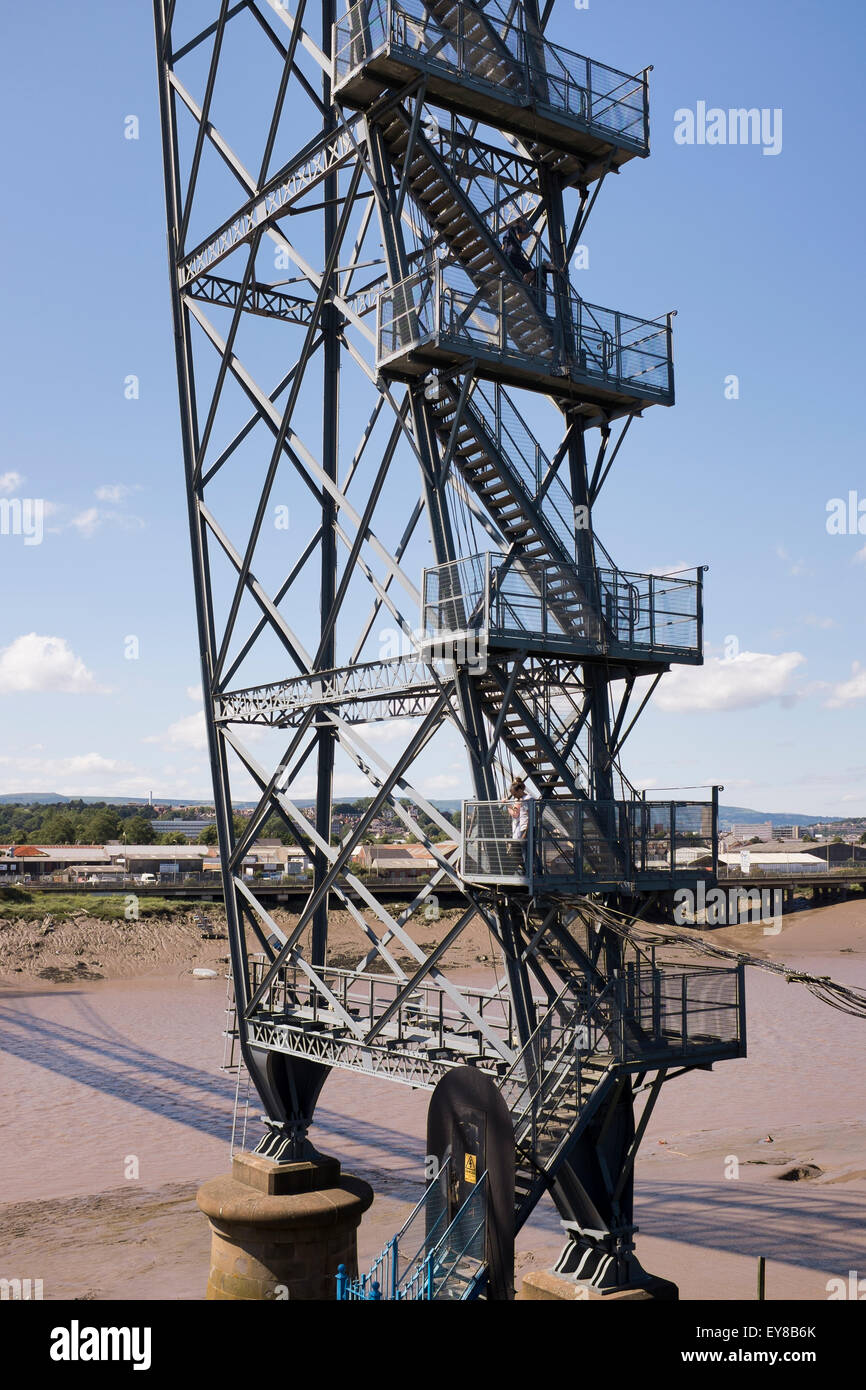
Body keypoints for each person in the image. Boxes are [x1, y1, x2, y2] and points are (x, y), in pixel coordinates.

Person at [507, 776, 532, 873]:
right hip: (523, 827)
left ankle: (527, 871)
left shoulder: (525, 800)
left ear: (519, 790)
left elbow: (516, 814)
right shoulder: (524, 799)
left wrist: (507, 805)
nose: (514, 796)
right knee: (528, 851)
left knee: (525, 851)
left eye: (515, 794)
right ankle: (528, 870)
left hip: (524, 828)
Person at [501, 218, 536, 286]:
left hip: (507, 256)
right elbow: (520, 237)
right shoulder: (517, 227)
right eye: (524, 223)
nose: (525, 226)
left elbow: (502, 247)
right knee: (530, 272)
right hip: (514, 254)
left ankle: (523, 285)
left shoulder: (507, 233)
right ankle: (524, 288)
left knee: (524, 273)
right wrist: (531, 233)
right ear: (519, 222)